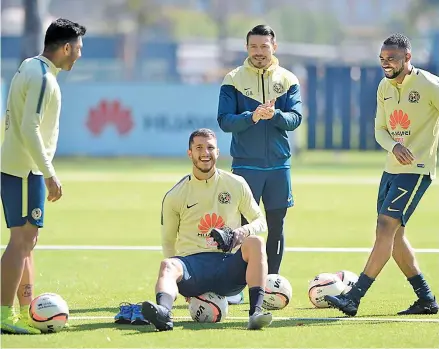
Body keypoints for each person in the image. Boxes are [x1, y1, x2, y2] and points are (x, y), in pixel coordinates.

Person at [325, 33, 439, 316]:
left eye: (392, 59)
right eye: (382, 59)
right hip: (391, 169)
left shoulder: (429, 85)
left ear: (408, 58)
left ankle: (354, 297)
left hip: (416, 170)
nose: (386, 64)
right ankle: (426, 299)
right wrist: (394, 146)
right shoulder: (383, 87)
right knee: (395, 236)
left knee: (385, 228)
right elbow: (380, 130)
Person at [1, 18, 86, 334]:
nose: (79, 55)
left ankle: (25, 312)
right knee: (20, 241)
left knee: (27, 241)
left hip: (22, 169)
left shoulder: (32, 67)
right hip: (26, 171)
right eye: (78, 48)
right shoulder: (43, 78)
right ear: (66, 47)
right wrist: (49, 174)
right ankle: (4, 315)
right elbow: (29, 127)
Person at [140, 128, 272, 331]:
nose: (205, 153)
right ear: (189, 153)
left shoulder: (236, 184)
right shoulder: (175, 195)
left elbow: (260, 220)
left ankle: (256, 313)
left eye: (210, 147)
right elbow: (168, 241)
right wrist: (180, 282)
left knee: (256, 242)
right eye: (199, 147)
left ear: (218, 152)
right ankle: (164, 313)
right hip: (192, 269)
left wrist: (240, 233)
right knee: (167, 264)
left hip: (229, 267)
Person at [217, 25, 303, 284]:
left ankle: (272, 283)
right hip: (246, 167)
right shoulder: (233, 79)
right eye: (253, 46)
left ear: (274, 47)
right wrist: (252, 117)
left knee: (276, 224)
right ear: (246, 48)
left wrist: (275, 115)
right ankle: (241, 285)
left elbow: (295, 118)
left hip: (279, 166)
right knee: (244, 226)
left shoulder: (288, 79)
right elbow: (224, 121)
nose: (258, 52)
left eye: (264, 46)